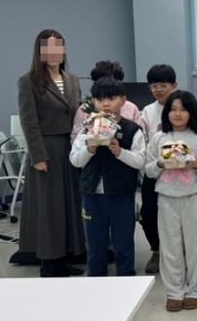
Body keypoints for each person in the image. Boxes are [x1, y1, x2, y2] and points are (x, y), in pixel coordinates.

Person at [17, 29, 84, 277]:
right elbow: (29, 121)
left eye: (59, 47)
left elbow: (79, 113)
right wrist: (38, 156)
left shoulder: (72, 79)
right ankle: (48, 261)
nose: (55, 52)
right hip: (47, 149)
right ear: (40, 51)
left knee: (68, 204)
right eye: (49, 47)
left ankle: (64, 257)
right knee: (49, 206)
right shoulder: (28, 81)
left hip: (71, 147)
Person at [69, 77, 146, 277]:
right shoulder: (87, 128)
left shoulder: (132, 130)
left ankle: (126, 279)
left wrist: (120, 152)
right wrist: (90, 148)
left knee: (123, 242)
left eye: (111, 98)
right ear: (93, 102)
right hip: (92, 196)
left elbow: (140, 161)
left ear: (123, 100)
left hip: (121, 195)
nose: (105, 104)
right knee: (95, 244)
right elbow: (75, 160)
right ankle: (96, 280)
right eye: (100, 99)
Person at [145, 91, 197, 312]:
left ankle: (195, 290)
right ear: (166, 112)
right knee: (169, 246)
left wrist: (196, 164)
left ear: (192, 112)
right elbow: (148, 170)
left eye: (183, 109)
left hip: (192, 197)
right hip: (166, 198)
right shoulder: (159, 138)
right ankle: (174, 291)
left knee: (194, 246)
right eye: (173, 109)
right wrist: (160, 164)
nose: (177, 114)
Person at [140, 64, 178, 274]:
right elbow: (144, 141)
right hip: (155, 170)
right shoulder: (147, 111)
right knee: (148, 213)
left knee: (175, 215)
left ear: (174, 85)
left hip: (179, 171)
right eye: (154, 85)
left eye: (163, 84)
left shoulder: (183, 105)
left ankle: (178, 251)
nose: (159, 89)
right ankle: (156, 250)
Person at [71, 60, 143, 141]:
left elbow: (141, 136)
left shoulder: (131, 108)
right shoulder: (84, 109)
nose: (106, 103)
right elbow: (75, 138)